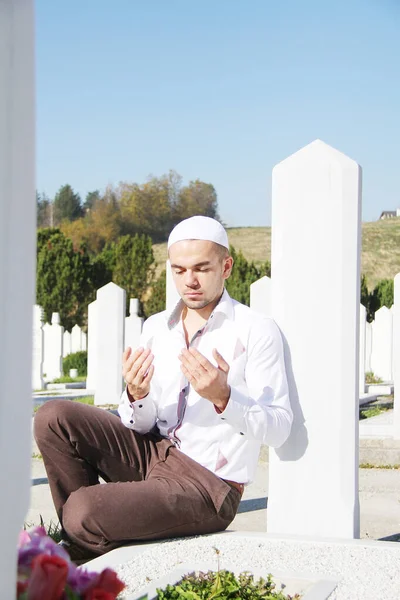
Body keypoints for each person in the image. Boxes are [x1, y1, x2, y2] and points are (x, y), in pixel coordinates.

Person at [34, 215, 293, 561]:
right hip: (153, 452)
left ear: (226, 266)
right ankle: (84, 535)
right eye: (180, 270)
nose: (190, 281)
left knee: (82, 508)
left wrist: (224, 398)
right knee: (52, 416)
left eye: (202, 268)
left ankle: (84, 530)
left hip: (208, 484)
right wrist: (137, 397)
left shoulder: (256, 329)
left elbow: (280, 428)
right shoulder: (157, 327)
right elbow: (141, 424)